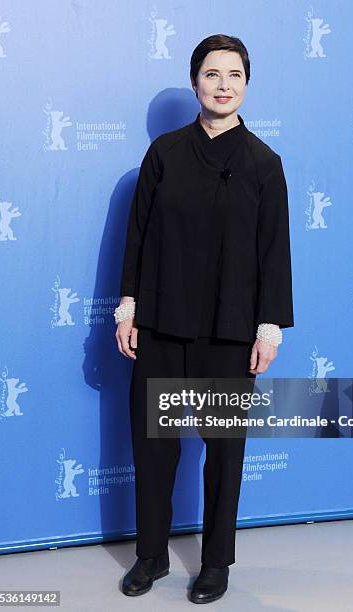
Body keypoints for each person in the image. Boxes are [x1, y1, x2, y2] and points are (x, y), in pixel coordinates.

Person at [115, 34, 294, 604]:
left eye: (234, 75)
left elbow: (274, 251)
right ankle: (150, 556)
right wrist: (129, 307)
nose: (223, 85)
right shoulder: (164, 153)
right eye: (212, 74)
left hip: (229, 332)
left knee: (224, 454)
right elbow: (138, 235)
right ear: (196, 82)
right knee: (154, 446)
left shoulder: (264, 163)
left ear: (246, 84)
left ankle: (216, 562)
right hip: (163, 325)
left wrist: (269, 327)